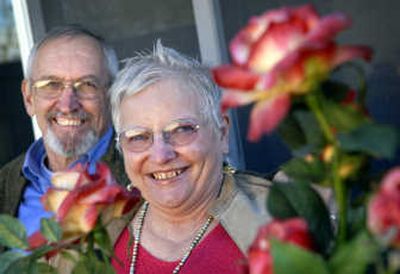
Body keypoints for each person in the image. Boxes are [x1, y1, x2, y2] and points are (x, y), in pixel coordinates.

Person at [109, 41, 272, 273]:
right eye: (138, 137)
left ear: (222, 133)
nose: (161, 155)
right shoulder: (97, 237)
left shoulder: (276, 221)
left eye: (181, 130)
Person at [0, 25, 129, 239]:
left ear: (111, 96)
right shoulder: (5, 185)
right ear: (29, 98)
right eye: (52, 84)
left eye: (87, 84)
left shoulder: (143, 174)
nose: (67, 105)